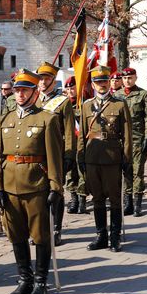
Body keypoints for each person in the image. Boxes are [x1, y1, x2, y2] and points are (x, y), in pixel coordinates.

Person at [0, 68, 62, 294]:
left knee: (40, 236)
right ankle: (25, 279)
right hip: (10, 186)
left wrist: (55, 187)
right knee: (16, 235)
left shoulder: (48, 119)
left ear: (34, 92)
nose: (20, 94)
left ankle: (41, 282)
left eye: (25, 90)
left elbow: (54, 157)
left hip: (36, 185)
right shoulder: (5, 119)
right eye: (18, 90)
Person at [78, 66, 132, 252]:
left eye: (104, 81)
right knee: (97, 198)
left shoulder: (119, 104)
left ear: (109, 82)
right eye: (98, 82)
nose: (101, 85)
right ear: (93, 84)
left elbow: (127, 134)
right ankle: (101, 235)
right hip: (92, 158)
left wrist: (126, 158)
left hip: (112, 157)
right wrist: (80, 156)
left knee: (115, 199)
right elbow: (82, 135)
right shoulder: (86, 105)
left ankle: (115, 236)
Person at [36, 61, 76, 245]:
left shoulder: (63, 102)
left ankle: (56, 228)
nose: (43, 82)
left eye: (46, 79)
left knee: (56, 192)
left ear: (53, 81)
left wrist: (68, 155)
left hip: (56, 154)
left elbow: (69, 131)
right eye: (40, 79)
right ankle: (41, 229)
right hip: (36, 154)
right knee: (38, 193)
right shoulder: (34, 100)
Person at [115, 67, 147, 217]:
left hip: (137, 138)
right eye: (124, 78)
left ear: (135, 78)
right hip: (121, 140)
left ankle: (137, 203)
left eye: (130, 78)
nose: (127, 80)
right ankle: (127, 202)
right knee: (125, 171)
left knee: (137, 172)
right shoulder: (116, 96)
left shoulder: (144, 95)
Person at [63, 76, 88, 215]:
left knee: (82, 172)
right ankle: (74, 199)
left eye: (72, 88)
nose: (70, 91)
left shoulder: (85, 103)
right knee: (70, 173)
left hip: (82, 143)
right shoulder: (63, 104)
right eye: (68, 89)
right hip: (69, 143)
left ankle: (82, 200)